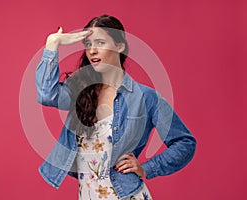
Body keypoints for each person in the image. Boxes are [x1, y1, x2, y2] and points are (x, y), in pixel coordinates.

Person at [35, 14, 196, 200]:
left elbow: (185, 143)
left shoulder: (146, 97)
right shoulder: (81, 91)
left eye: (100, 43)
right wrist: (52, 45)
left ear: (120, 46)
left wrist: (147, 169)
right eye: (88, 44)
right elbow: (47, 94)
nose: (92, 50)